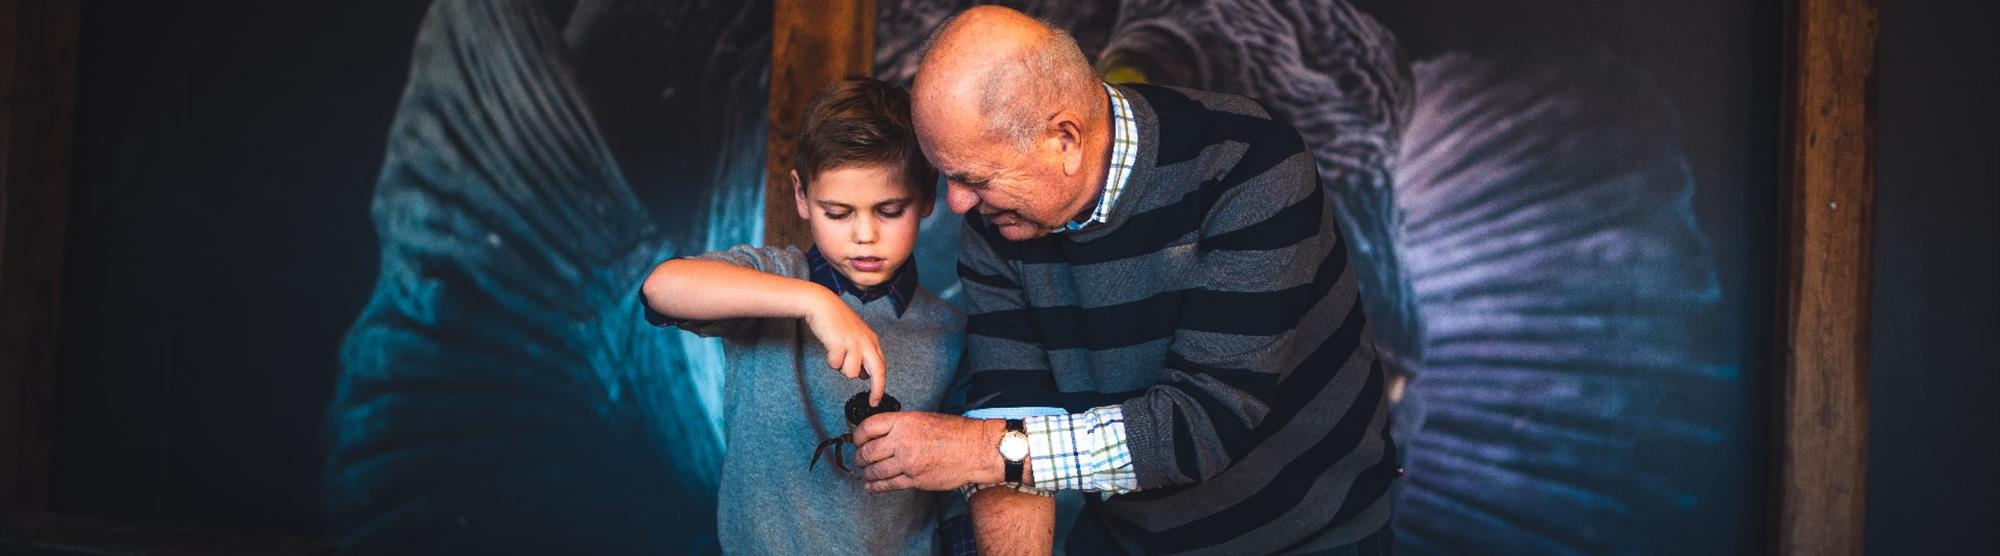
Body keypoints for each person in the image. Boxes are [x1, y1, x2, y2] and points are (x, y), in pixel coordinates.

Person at [849, 6, 1399, 554]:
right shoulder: (998, 223)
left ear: (1064, 139)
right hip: (1125, 537)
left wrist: (974, 450)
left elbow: (1203, 426)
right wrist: (992, 447)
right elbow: (1013, 409)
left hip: (1304, 534)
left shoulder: (1254, 165)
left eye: (975, 179)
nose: (956, 203)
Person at [638, 77, 966, 555]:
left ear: (927, 196)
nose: (864, 235)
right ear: (801, 197)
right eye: (837, 212)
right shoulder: (770, 282)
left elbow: (958, 503)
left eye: (890, 210)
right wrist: (815, 302)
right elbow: (661, 288)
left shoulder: (953, 334)